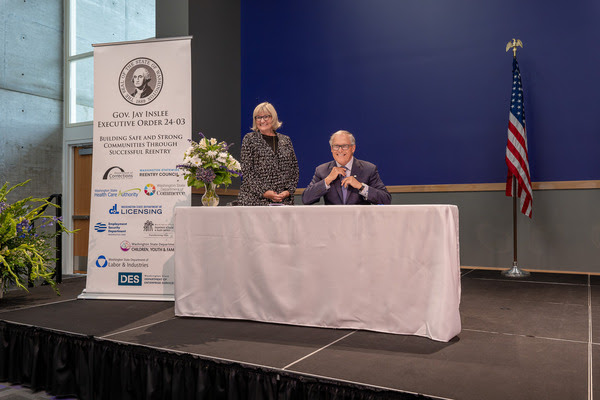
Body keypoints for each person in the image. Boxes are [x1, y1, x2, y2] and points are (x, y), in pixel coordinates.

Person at [302, 130, 391, 205]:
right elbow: (306, 199)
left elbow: (386, 199)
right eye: (336, 146)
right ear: (331, 149)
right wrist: (327, 180)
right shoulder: (322, 170)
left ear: (353, 148)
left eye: (344, 146)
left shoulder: (368, 169)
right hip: (333, 223)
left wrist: (361, 187)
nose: (340, 150)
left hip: (359, 223)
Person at [238, 102, 299, 206]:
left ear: (273, 117)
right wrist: (265, 192)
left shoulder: (286, 140)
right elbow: (247, 172)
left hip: (283, 201)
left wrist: (288, 191)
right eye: (258, 117)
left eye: (266, 117)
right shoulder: (249, 139)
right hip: (255, 201)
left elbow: (294, 170)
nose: (262, 120)